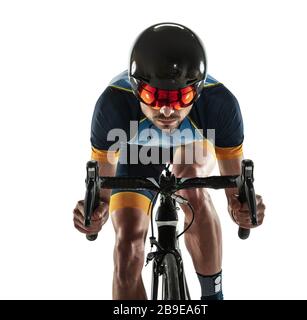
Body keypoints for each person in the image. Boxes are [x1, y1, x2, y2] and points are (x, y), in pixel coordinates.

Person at [73, 22, 265, 300]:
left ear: (197, 91)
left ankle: (214, 297)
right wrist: (95, 214)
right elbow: (101, 195)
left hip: (190, 149)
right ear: (136, 88)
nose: (165, 110)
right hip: (134, 155)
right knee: (127, 246)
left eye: (181, 97)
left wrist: (242, 208)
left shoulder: (220, 104)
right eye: (153, 96)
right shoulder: (113, 105)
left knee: (191, 186)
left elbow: (235, 193)